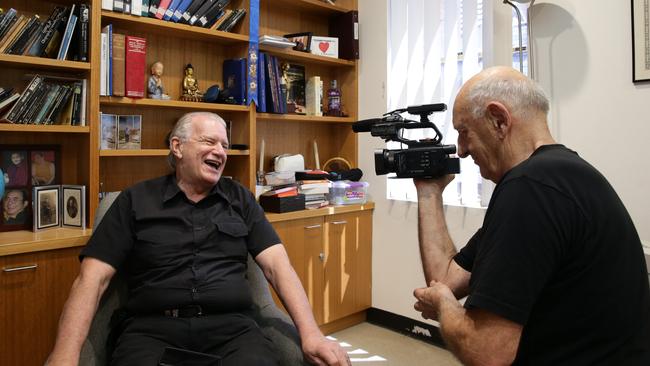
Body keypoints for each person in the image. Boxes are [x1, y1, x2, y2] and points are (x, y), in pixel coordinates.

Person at [46, 112, 350, 366]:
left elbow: (277, 268)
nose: (220, 151)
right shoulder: (134, 201)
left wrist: (311, 334)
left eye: (225, 145)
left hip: (232, 329)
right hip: (153, 330)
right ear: (177, 147)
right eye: (209, 141)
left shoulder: (240, 200)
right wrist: (65, 355)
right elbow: (91, 280)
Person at [412, 66, 650, 365]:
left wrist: (447, 306)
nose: (460, 151)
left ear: (499, 120)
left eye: (463, 132)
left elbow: (486, 351)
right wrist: (429, 191)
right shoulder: (556, 177)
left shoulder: (531, 189)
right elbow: (445, 279)